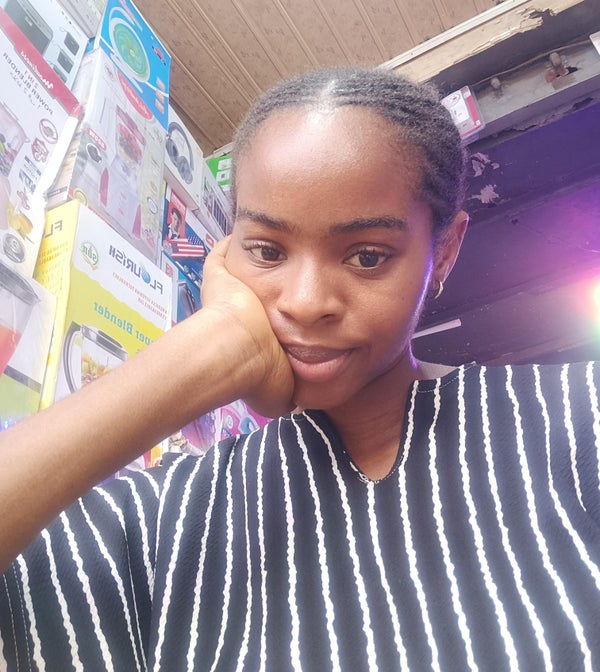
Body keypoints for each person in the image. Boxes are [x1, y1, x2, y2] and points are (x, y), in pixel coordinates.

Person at [0, 67, 598, 671]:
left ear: (443, 251)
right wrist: (206, 351)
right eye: (267, 250)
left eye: (367, 256)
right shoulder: (161, 521)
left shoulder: (579, 416)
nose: (307, 301)